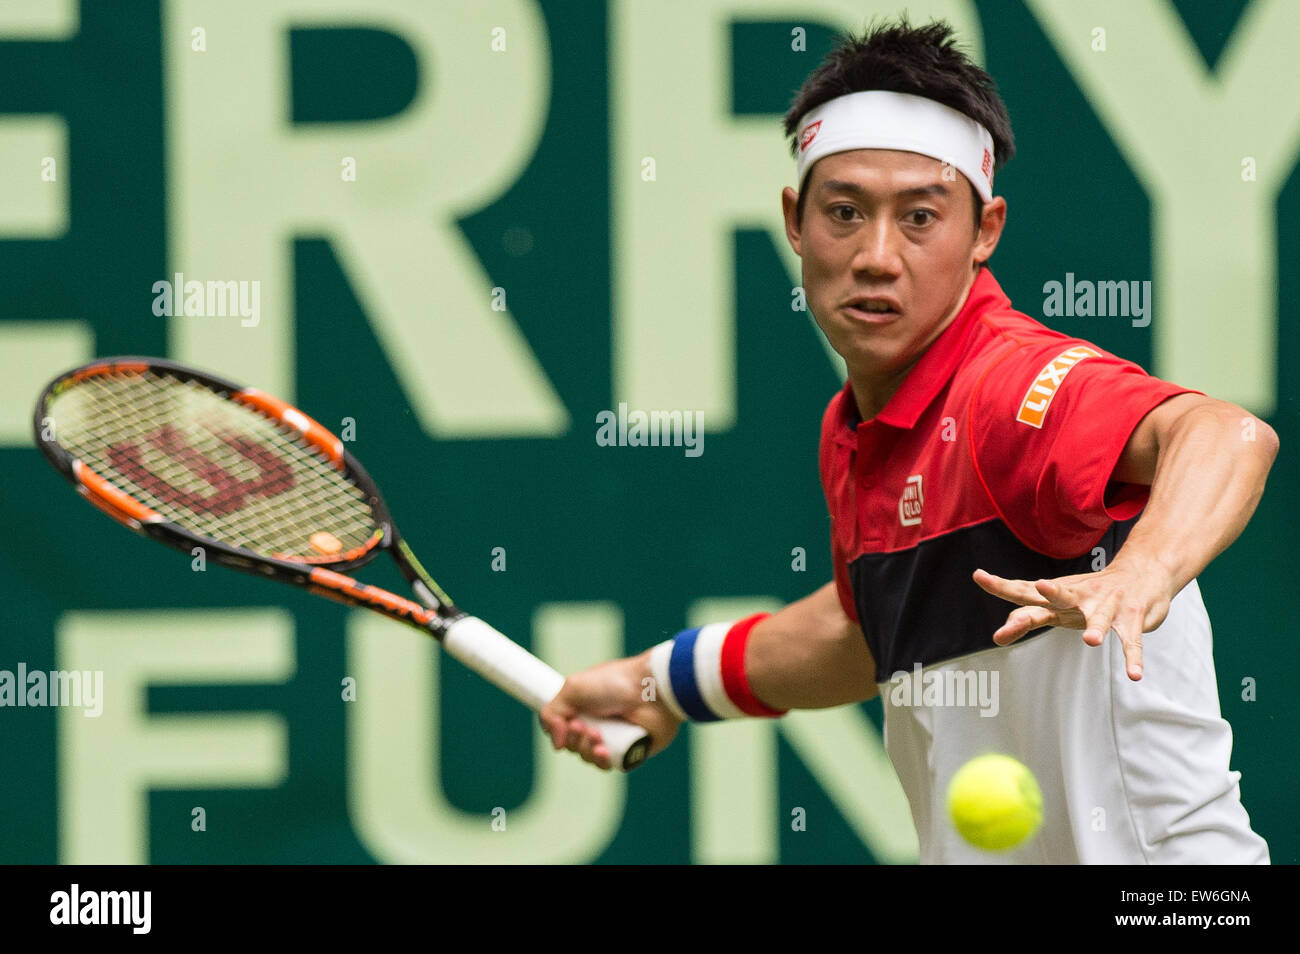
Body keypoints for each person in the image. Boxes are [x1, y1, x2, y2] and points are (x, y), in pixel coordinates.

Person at [539, 18, 1277, 863]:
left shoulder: (1011, 389)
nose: (876, 257)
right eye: (845, 212)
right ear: (794, 218)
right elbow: (860, 636)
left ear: (985, 231)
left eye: (920, 217)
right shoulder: (856, 429)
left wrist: (1144, 573)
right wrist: (662, 684)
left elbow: (1225, 432)